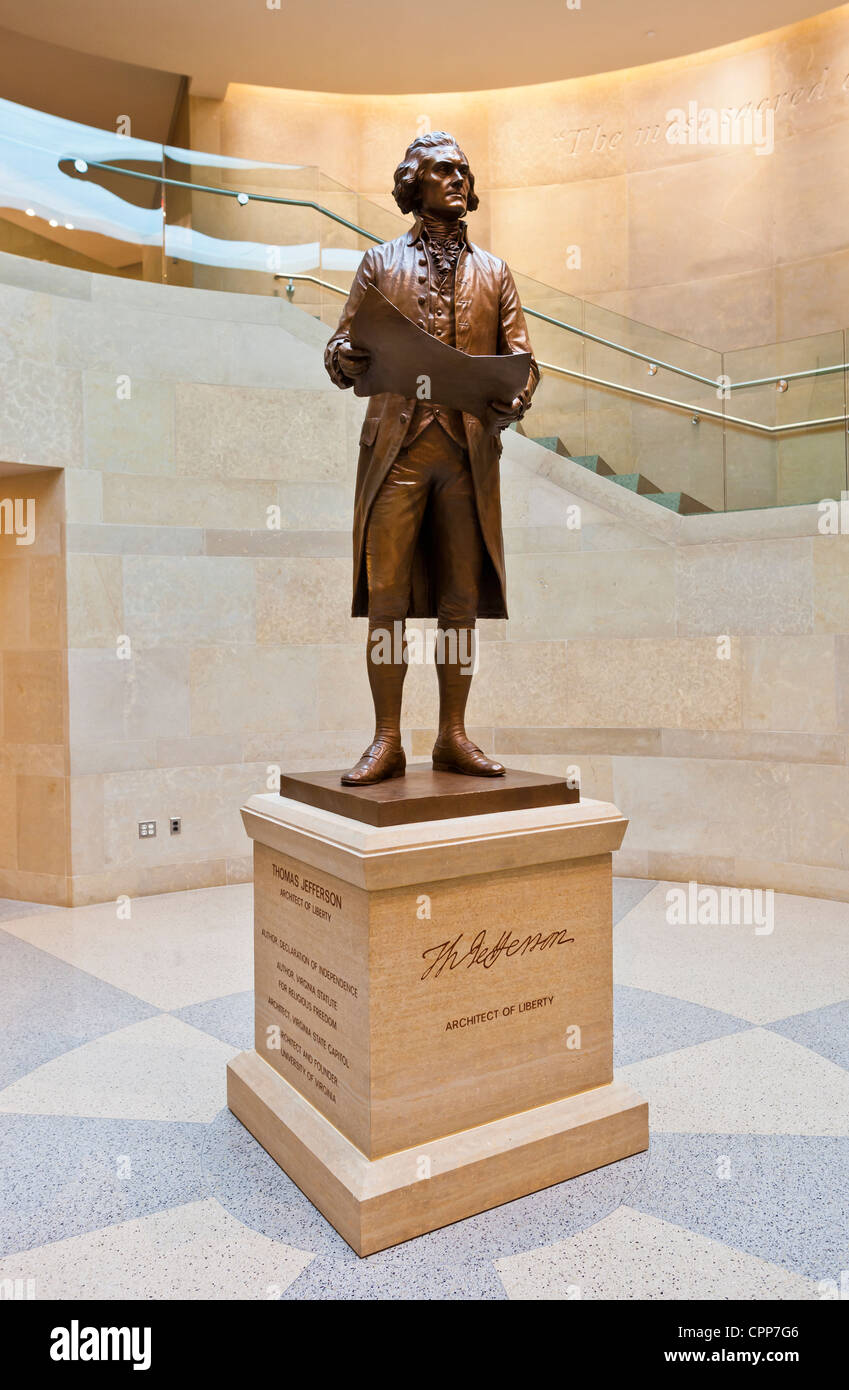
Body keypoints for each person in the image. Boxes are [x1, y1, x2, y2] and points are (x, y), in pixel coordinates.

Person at [325, 132, 539, 785]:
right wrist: (345, 357)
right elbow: (340, 345)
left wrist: (514, 398)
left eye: (462, 171)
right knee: (386, 597)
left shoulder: (495, 273)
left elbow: (523, 360)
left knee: (459, 601)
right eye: (443, 170)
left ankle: (452, 735)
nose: (456, 179)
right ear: (414, 183)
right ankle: (386, 739)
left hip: (467, 453)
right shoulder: (378, 263)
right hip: (398, 449)